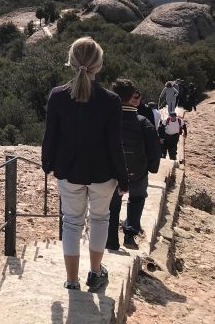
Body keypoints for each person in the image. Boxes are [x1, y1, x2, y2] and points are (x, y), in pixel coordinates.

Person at [41, 37, 128, 292]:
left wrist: (48, 164)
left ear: (71, 62)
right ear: (98, 65)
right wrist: (123, 179)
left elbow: (51, 136)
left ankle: (71, 281)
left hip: (68, 172)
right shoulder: (111, 100)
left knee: (71, 223)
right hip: (103, 174)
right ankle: (95, 273)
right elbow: (115, 144)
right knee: (100, 220)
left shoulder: (57, 96)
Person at [106, 80, 162, 251]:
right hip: (137, 172)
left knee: (112, 204)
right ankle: (130, 234)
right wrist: (151, 168)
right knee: (137, 199)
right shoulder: (143, 122)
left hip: (112, 171)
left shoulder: (108, 120)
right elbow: (154, 149)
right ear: (132, 98)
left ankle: (111, 240)